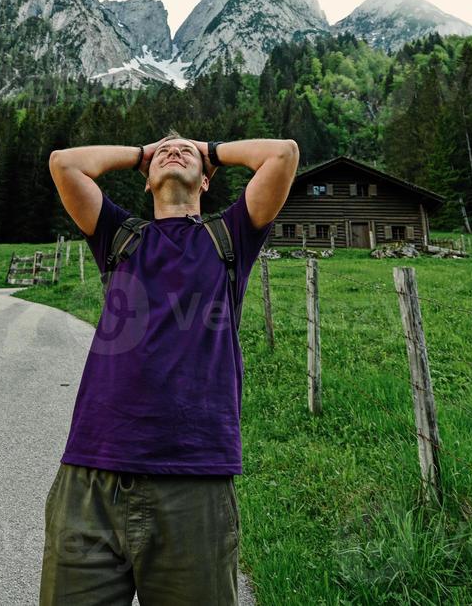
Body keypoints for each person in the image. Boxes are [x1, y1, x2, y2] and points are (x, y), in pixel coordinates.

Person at [40, 133, 300, 605]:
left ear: (206, 180)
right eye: (163, 151)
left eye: (185, 153)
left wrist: (211, 150)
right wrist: (141, 154)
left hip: (194, 480)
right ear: (146, 182)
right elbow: (65, 164)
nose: (172, 150)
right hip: (90, 478)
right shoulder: (119, 237)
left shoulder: (229, 238)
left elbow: (283, 154)